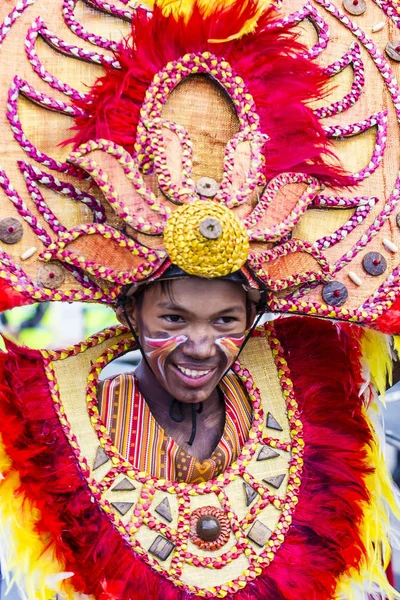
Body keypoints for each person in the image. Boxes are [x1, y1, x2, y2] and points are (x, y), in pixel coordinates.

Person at [0, 1, 400, 599]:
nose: (202, 345)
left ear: (256, 317)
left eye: (226, 319)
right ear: (128, 311)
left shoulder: (325, 408)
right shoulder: (39, 428)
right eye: (173, 317)